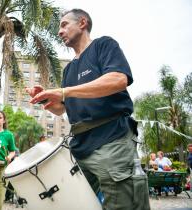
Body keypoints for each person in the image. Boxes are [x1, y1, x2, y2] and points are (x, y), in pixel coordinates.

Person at [26, 9, 150, 210]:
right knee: (78, 205)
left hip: (112, 139)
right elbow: (62, 109)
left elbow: (119, 79)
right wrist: (45, 98)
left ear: (82, 23)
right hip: (79, 148)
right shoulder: (68, 69)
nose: (60, 31)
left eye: (64, 24)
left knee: (123, 205)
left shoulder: (104, 45)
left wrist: (65, 91)